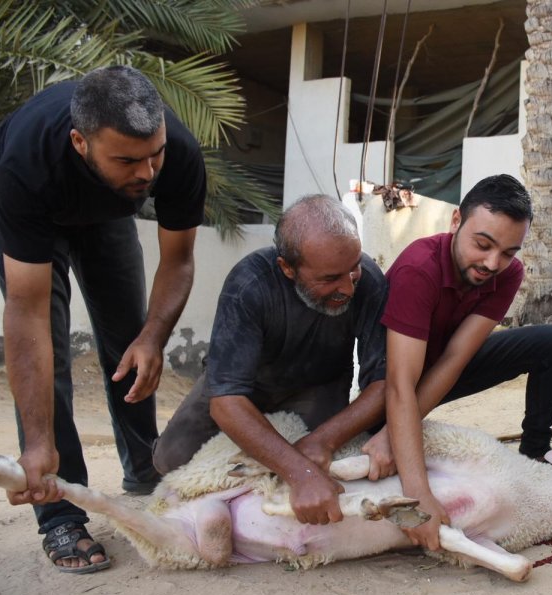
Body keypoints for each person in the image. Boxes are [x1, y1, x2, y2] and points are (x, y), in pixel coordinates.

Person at [0, 66, 206, 573]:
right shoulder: (26, 163)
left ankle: (144, 472)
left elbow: (178, 261)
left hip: (107, 216)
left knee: (130, 339)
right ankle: (61, 514)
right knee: (51, 359)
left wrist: (154, 337)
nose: (148, 173)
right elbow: (26, 312)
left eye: (154, 154)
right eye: (128, 160)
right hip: (34, 214)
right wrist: (38, 443)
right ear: (80, 143)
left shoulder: (176, 153)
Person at [153, 194, 391, 525]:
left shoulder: (370, 282)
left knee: (330, 462)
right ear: (287, 268)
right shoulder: (249, 284)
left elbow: (383, 384)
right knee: (171, 458)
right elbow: (227, 400)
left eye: (353, 269)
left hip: (319, 385)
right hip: (245, 389)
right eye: (329, 279)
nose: (348, 288)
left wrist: (322, 442)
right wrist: (300, 472)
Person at [384, 174, 552, 550]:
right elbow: (399, 383)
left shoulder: (508, 273)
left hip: (444, 364)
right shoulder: (419, 268)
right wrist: (417, 492)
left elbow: (456, 357)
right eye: (482, 245)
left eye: (508, 252)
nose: (492, 262)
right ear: (456, 221)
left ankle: (535, 452)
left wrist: (396, 435)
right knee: (382, 425)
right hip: (390, 376)